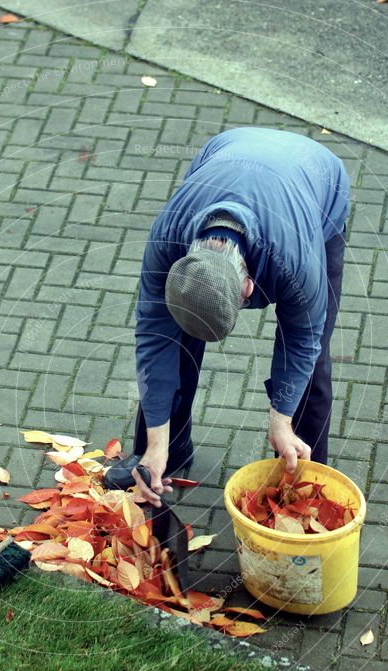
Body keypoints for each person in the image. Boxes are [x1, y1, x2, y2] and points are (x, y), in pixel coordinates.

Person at [105, 127, 350, 507]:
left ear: (250, 288)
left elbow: (302, 340)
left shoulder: (299, 264)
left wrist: (279, 420)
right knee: (180, 328)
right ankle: (163, 453)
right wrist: (155, 442)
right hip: (225, 152)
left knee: (312, 358)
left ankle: (300, 479)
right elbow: (155, 336)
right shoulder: (168, 240)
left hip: (317, 186)